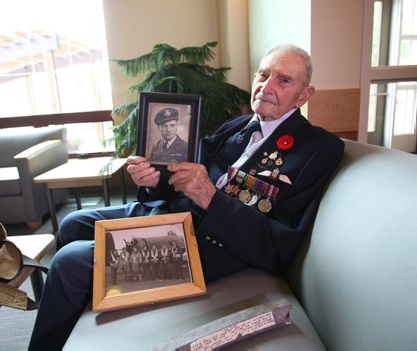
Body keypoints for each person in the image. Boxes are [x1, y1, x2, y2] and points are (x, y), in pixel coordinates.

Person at [28, 43, 345, 350]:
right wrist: (153, 179)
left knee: (69, 262)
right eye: (263, 75)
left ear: (305, 94)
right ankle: (79, 316)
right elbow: (179, 172)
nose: (267, 86)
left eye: (284, 80)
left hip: (205, 244)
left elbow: (279, 246)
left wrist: (211, 197)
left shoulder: (317, 149)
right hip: (171, 214)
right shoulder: (236, 126)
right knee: (71, 224)